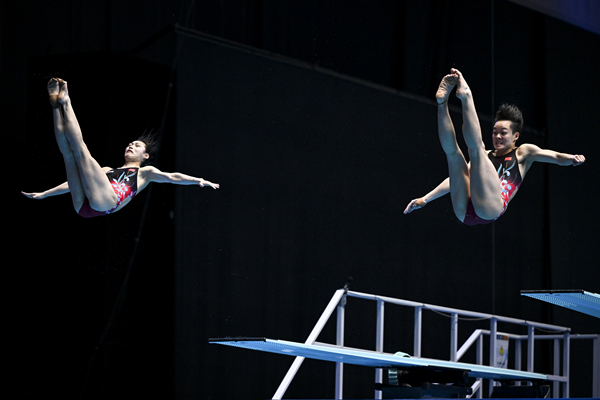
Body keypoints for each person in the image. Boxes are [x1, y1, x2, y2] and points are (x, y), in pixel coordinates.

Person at [404, 68, 585, 225]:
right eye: (495, 132)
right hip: (464, 213)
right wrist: (425, 199)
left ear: (516, 136)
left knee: (476, 150)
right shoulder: (485, 156)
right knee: (453, 154)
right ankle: (442, 103)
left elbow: (555, 157)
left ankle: (466, 95)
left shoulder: (523, 152)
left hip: (490, 209)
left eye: (503, 133)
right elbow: (455, 179)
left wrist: (571, 158)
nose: (497, 136)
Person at [22, 78, 219, 218]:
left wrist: (198, 180)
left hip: (105, 202)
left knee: (80, 150)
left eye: (137, 145)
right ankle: (56, 107)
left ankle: (66, 102)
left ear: (145, 155)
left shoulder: (145, 173)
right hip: (84, 207)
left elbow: (173, 177)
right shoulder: (107, 171)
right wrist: (45, 194)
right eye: (130, 143)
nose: (131, 145)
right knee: (68, 154)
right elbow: (72, 184)